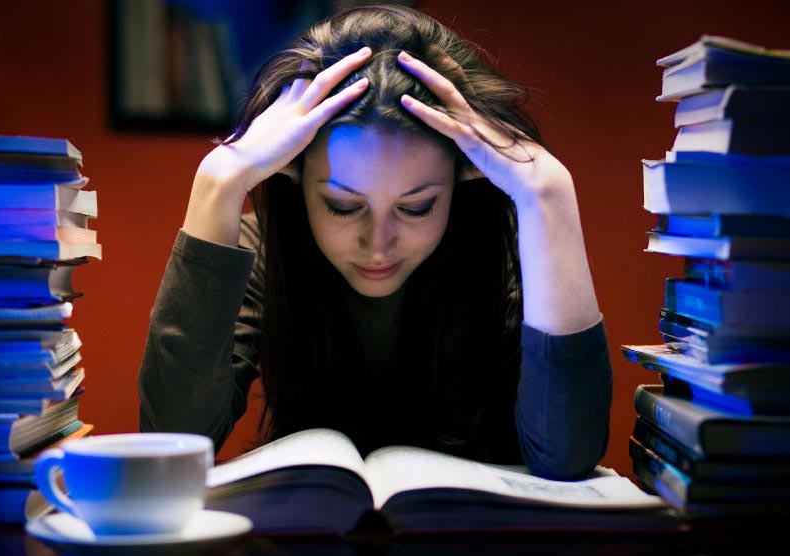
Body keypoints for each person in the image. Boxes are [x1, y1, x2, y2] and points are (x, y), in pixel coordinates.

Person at [138, 4, 612, 480]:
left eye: (417, 207)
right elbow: (171, 441)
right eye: (343, 207)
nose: (379, 245)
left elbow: (568, 454)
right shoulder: (263, 252)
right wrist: (217, 181)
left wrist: (549, 191)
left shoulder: (510, 251)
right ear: (294, 176)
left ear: (463, 176)